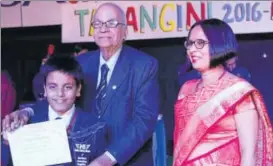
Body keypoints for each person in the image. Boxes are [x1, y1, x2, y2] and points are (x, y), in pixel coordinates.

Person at [2, 2, 159, 166]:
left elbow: (144, 120)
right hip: (82, 158)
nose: (103, 29)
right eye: (97, 23)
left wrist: (108, 158)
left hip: (125, 159)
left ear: (125, 30)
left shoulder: (144, 65)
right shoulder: (82, 62)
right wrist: (26, 112)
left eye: (111, 23)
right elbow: (58, 98)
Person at [173, 18, 273, 166]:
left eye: (200, 43)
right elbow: (180, 148)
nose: (192, 50)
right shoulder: (186, 89)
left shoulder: (239, 92)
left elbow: (248, 155)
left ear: (219, 44)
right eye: (189, 43)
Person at [2, 55, 108, 166]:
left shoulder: (96, 127)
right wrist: (7, 143)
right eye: (53, 87)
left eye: (67, 87)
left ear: (78, 89)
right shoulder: (25, 124)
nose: (60, 94)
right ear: (45, 89)